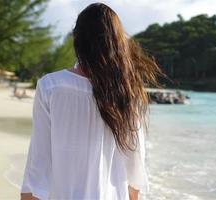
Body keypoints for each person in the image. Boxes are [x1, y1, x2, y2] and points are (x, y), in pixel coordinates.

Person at [20, 3, 163, 200]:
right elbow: (135, 167)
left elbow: (38, 166)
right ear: (117, 42)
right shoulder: (128, 92)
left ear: (77, 40)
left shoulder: (50, 86)